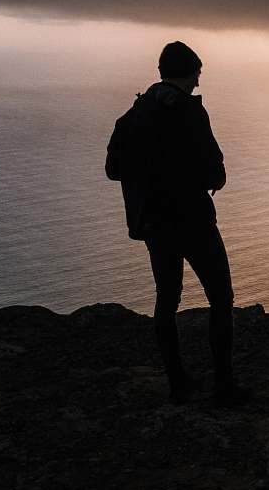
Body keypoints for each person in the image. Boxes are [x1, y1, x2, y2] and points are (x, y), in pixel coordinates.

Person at [106, 41, 249, 405]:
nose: (199, 82)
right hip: (193, 220)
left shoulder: (135, 111)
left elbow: (112, 169)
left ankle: (177, 384)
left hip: (154, 223)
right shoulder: (189, 111)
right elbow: (215, 172)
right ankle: (224, 384)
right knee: (220, 297)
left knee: (166, 300)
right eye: (197, 74)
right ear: (188, 72)